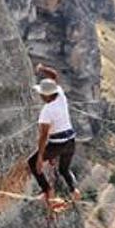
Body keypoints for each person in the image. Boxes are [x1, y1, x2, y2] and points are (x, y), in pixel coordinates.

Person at [28, 63, 80, 209]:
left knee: (32, 163)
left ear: (47, 95)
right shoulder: (60, 95)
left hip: (58, 143)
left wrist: (40, 158)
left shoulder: (47, 111)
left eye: (42, 94)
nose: (40, 95)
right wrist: (42, 69)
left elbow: (44, 136)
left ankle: (47, 190)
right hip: (71, 141)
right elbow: (54, 76)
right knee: (64, 169)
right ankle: (73, 189)